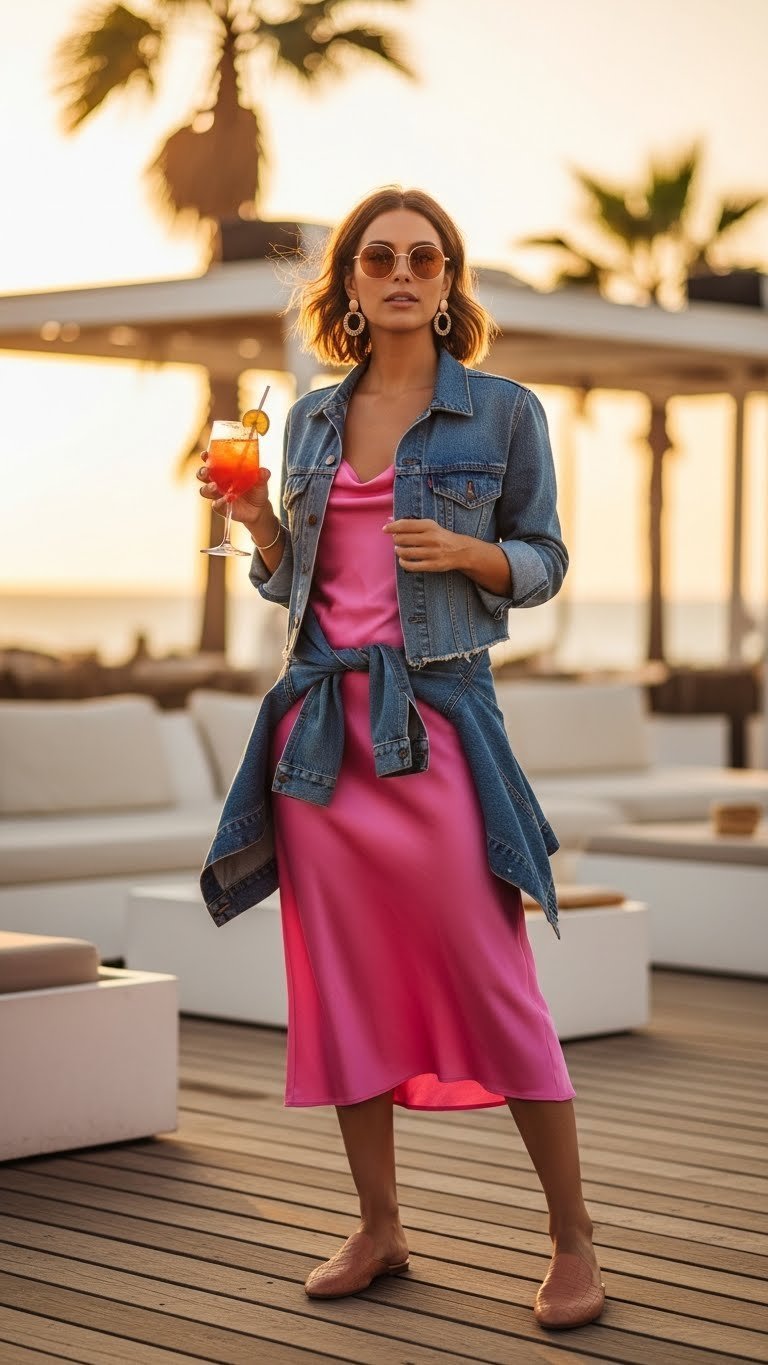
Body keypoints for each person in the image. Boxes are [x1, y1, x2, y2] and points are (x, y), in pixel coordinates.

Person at [196, 186, 605, 1331]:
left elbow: (546, 558)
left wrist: (473, 555)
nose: (403, 274)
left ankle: (573, 1239)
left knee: (495, 981)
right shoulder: (309, 421)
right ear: (350, 284)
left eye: (425, 258)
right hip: (320, 745)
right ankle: (378, 1226)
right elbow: (297, 582)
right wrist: (256, 525)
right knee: (344, 991)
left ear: (448, 280)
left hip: (438, 729)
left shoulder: (503, 412)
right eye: (378, 258)